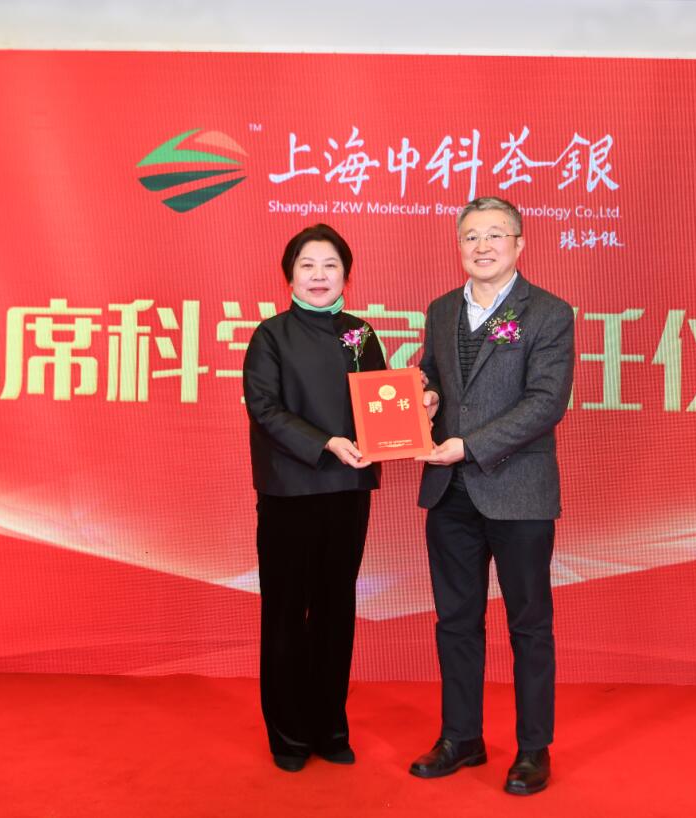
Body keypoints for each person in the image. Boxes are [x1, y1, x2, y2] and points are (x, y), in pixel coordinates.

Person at [410, 197, 575, 795]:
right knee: (455, 621)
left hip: (519, 493)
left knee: (529, 624)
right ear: (459, 246)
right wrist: (426, 394)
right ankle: (461, 737)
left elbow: (546, 402)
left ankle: (533, 748)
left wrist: (470, 445)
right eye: (471, 236)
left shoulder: (549, 313)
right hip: (449, 493)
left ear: (519, 243)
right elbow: (431, 372)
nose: (482, 246)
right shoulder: (441, 309)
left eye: (495, 235)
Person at [242, 223, 386, 772]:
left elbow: (379, 404)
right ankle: (288, 735)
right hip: (290, 490)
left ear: (346, 274)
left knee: (335, 609)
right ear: (290, 276)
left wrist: (410, 410)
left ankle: (329, 727)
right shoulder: (270, 335)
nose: (319, 275)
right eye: (307, 265)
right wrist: (325, 442)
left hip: (347, 490)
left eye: (330, 265)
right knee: (285, 611)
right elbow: (265, 408)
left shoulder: (361, 335)